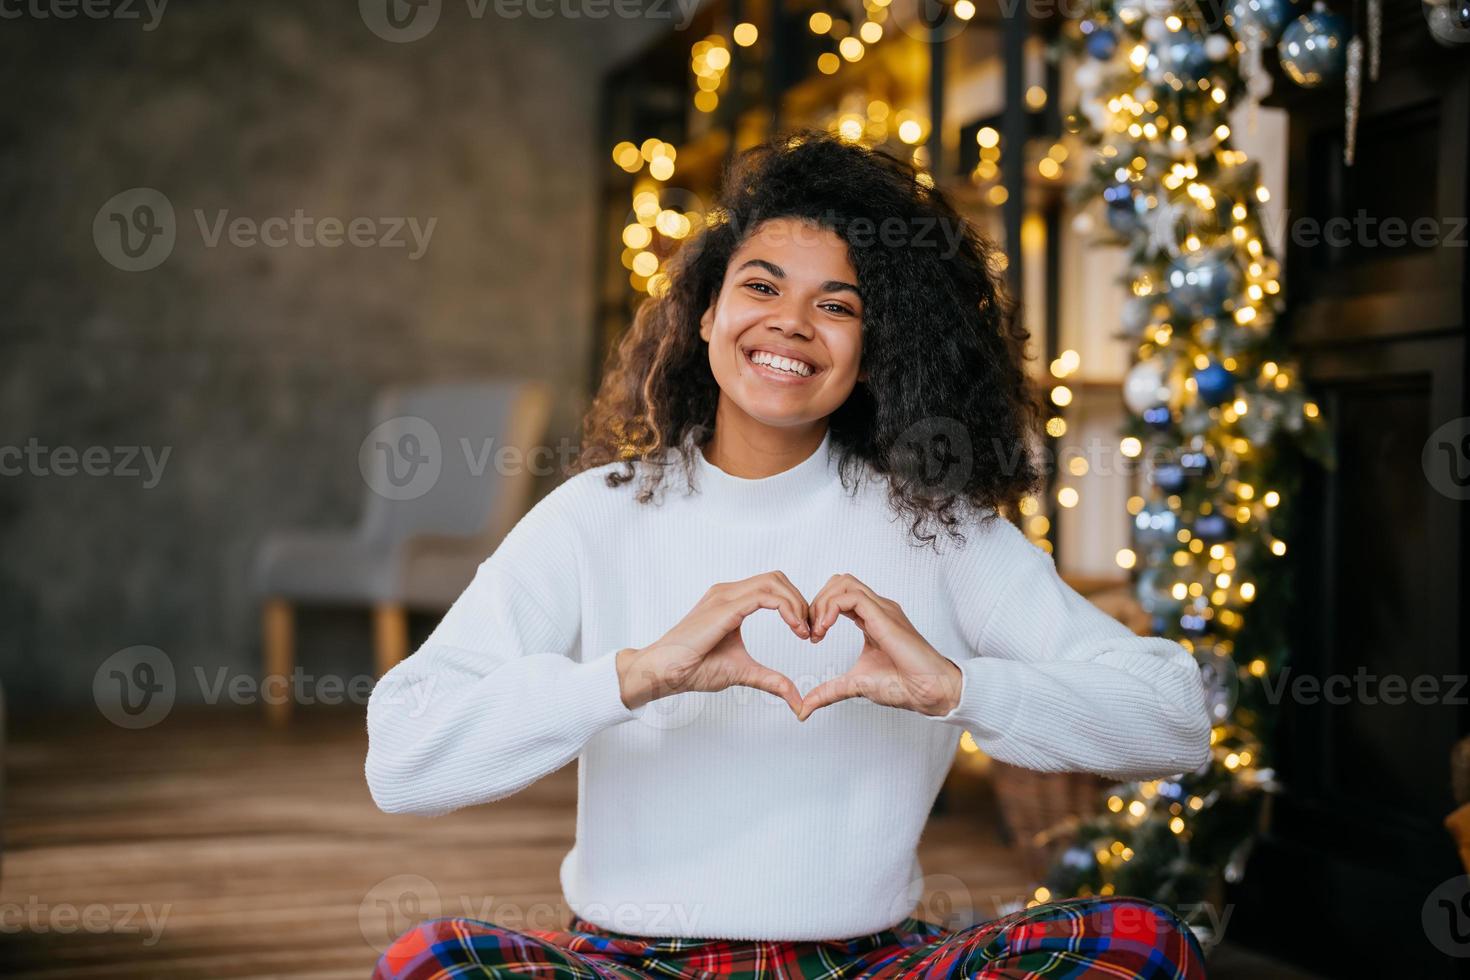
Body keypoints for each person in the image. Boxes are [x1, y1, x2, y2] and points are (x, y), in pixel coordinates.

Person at [365, 130, 1212, 978]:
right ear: (706, 313)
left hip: (868, 964)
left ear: (876, 349)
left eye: (837, 305)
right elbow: (403, 758)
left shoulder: (942, 530)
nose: (791, 323)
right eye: (761, 286)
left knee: (1141, 944)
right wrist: (636, 674)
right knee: (431, 963)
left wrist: (957, 688)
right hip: (629, 964)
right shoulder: (598, 514)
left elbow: (1174, 718)